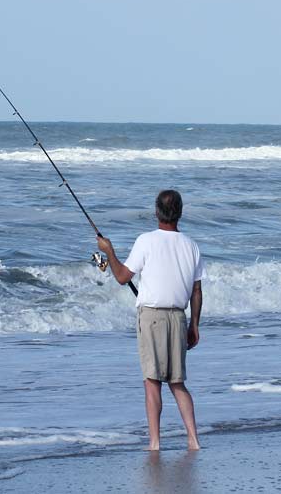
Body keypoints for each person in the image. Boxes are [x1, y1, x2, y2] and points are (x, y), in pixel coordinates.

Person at [96, 189, 204, 451]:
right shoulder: (191, 245)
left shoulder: (146, 240)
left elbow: (122, 277)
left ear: (156, 211)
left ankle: (155, 443)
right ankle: (193, 439)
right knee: (177, 383)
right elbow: (197, 291)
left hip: (152, 317)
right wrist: (194, 325)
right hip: (179, 317)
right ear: (179, 212)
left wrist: (108, 251)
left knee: (152, 381)